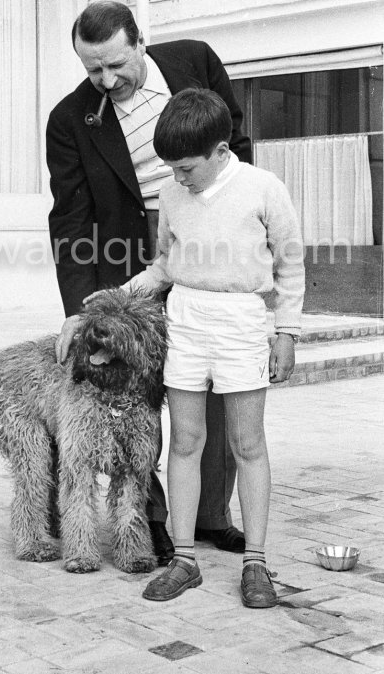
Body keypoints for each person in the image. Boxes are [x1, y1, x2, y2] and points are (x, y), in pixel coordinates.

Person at [47, 0, 251, 566]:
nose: (107, 81)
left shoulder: (195, 62)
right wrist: (80, 309)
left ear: (140, 41)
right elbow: (69, 218)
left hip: (208, 244)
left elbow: (237, 148)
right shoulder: (70, 120)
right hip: (127, 266)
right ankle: (154, 519)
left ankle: (213, 514)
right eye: (92, 70)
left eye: (116, 64)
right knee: (136, 399)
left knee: (212, 384)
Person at [112, 87, 305, 607]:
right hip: (187, 320)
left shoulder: (264, 188)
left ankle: (257, 563)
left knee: (248, 445)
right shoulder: (173, 196)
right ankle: (185, 559)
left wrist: (286, 332)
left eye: (188, 168)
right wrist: (116, 296)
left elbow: (290, 266)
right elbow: (165, 266)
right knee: (184, 442)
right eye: (171, 168)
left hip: (242, 320)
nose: (178, 178)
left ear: (221, 152)